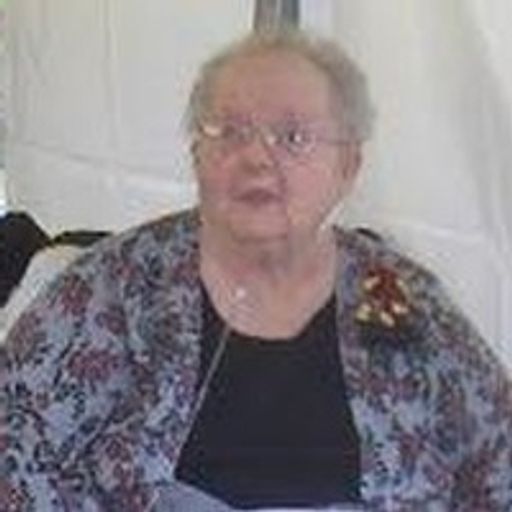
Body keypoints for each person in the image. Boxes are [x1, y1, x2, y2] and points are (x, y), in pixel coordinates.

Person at [1, 28, 512, 511]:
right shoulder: (122, 284)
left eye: (293, 136)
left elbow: (495, 446)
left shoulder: (388, 290)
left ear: (348, 166)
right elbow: (13, 435)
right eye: (229, 131)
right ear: (197, 154)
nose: (256, 158)